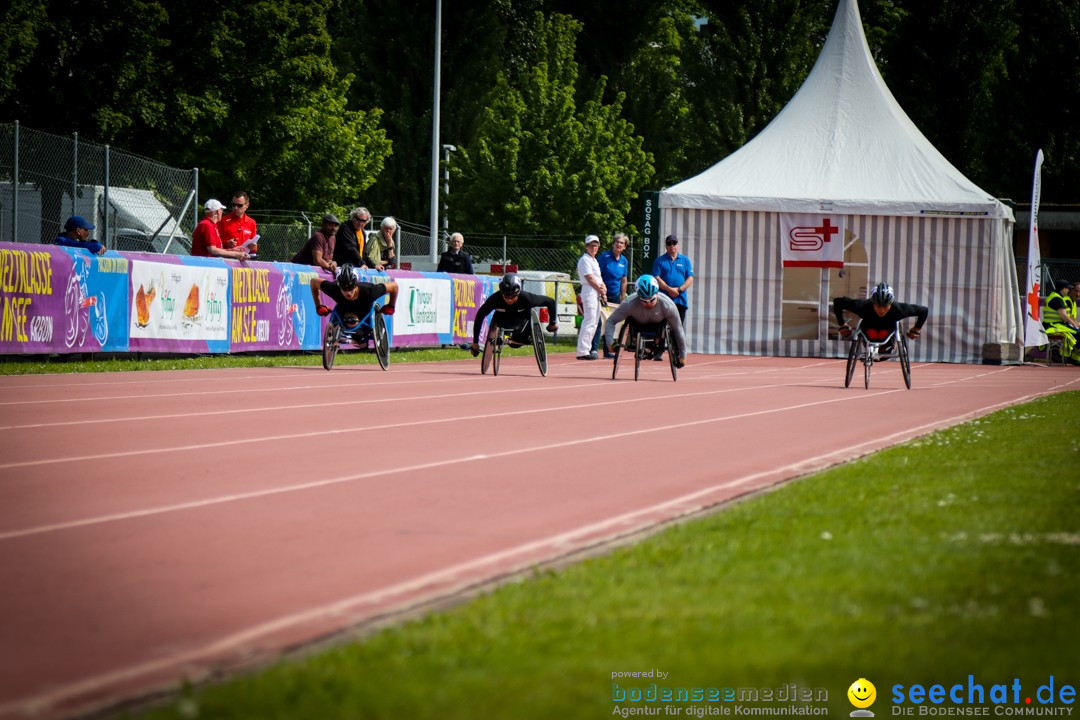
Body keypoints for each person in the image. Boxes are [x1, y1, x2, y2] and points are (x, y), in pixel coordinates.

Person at [604, 275, 687, 368]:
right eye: (644, 300)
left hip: (658, 327)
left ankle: (654, 344)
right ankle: (639, 343)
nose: (648, 303)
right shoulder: (629, 304)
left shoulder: (668, 306)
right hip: (637, 325)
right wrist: (610, 342)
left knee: (671, 328)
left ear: (656, 294)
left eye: (652, 300)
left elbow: (678, 329)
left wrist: (683, 355)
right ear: (639, 297)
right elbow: (611, 321)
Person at [471, 272, 557, 357]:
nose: (509, 300)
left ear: (518, 293)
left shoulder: (527, 298)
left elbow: (550, 302)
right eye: (506, 297)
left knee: (522, 331)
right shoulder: (495, 299)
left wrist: (552, 323)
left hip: (521, 328)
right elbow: (479, 316)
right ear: (502, 293)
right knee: (502, 329)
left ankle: (516, 338)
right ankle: (506, 338)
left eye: (512, 297)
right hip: (504, 326)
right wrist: (475, 342)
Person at [833, 282, 928, 354]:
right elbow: (837, 302)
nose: (882, 310)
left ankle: (889, 345)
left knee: (884, 335)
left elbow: (924, 311)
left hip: (888, 332)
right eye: (878, 306)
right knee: (871, 333)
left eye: (885, 306)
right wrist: (842, 324)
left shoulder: (899, 309)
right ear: (873, 303)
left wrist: (916, 329)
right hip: (868, 329)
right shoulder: (862, 306)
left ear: (891, 303)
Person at [310, 264, 398, 340]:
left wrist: (391, 306)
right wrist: (318, 306)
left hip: (364, 314)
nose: (348, 292)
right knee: (342, 320)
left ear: (355, 284)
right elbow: (313, 282)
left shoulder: (370, 291)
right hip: (343, 311)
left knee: (358, 333)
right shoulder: (334, 289)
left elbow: (394, 286)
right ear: (339, 285)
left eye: (351, 287)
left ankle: (360, 338)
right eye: (344, 288)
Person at [595, 232, 630, 357]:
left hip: (615, 296)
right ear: (613, 243)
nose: (619, 244)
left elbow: (624, 280)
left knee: (612, 323)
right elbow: (598, 275)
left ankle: (608, 350)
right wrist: (602, 291)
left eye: (621, 243)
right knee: (599, 322)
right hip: (601, 294)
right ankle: (593, 349)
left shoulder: (624, 261)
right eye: (617, 242)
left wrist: (623, 297)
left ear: (625, 246)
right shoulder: (604, 257)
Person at [652, 234, 694, 328]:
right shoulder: (659, 260)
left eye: (674, 243)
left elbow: (690, 279)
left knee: (678, 329)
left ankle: (677, 343)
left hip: (680, 300)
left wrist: (679, 290)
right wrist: (669, 289)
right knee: (660, 328)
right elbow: (656, 278)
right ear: (666, 246)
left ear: (678, 245)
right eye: (669, 243)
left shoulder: (685, 260)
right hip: (663, 299)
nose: (672, 246)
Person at [576, 234, 606, 360]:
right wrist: (601, 289)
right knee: (589, 320)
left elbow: (598, 277)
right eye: (591, 245)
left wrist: (603, 288)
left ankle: (586, 349)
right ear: (586, 247)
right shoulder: (584, 260)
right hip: (589, 290)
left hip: (596, 292)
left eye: (596, 245)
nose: (594, 248)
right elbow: (589, 277)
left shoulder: (594, 260)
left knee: (594, 321)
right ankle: (582, 351)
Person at [1041, 278, 1080, 364]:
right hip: (1054, 325)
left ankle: (1074, 357)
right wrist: (1074, 324)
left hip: (1053, 324)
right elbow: (1064, 316)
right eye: (1068, 288)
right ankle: (1073, 358)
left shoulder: (1055, 296)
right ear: (1063, 289)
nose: (1069, 290)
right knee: (1078, 333)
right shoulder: (1057, 299)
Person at [219, 190, 258, 255]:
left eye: (239, 205)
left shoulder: (251, 222)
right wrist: (227, 243)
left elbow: (254, 247)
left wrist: (254, 247)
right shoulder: (223, 220)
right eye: (233, 205)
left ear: (247, 205)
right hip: (228, 258)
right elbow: (215, 244)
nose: (235, 208)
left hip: (245, 259)